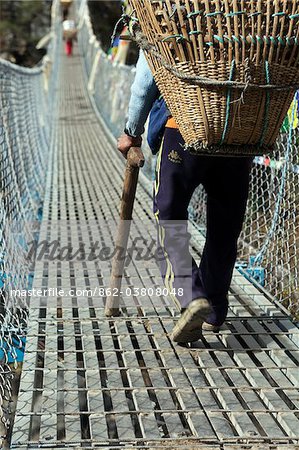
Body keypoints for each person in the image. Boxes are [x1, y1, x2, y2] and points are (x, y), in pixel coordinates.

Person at [117, 51, 253, 344]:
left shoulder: (172, 10)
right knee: (225, 224)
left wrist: (132, 130)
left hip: (184, 125)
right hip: (240, 128)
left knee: (168, 212)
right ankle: (214, 310)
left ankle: (191, 296)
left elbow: (145, 80)